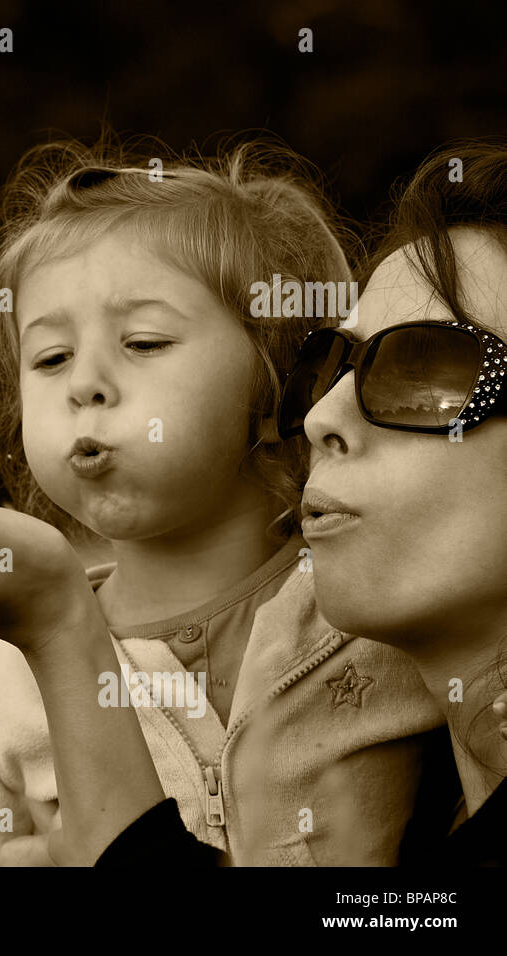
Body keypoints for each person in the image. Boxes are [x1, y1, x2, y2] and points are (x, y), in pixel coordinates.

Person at [0, 133, 445, 866]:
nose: (83, 384)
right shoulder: (3, 677)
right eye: (51, 357)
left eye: (145, 342)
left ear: (276, 383)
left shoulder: (376, 615)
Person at [92, 142, 507, 867]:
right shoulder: (394, 816)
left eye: (420, 367)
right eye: (332, 366)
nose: (322, 419)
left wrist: (60, 636)